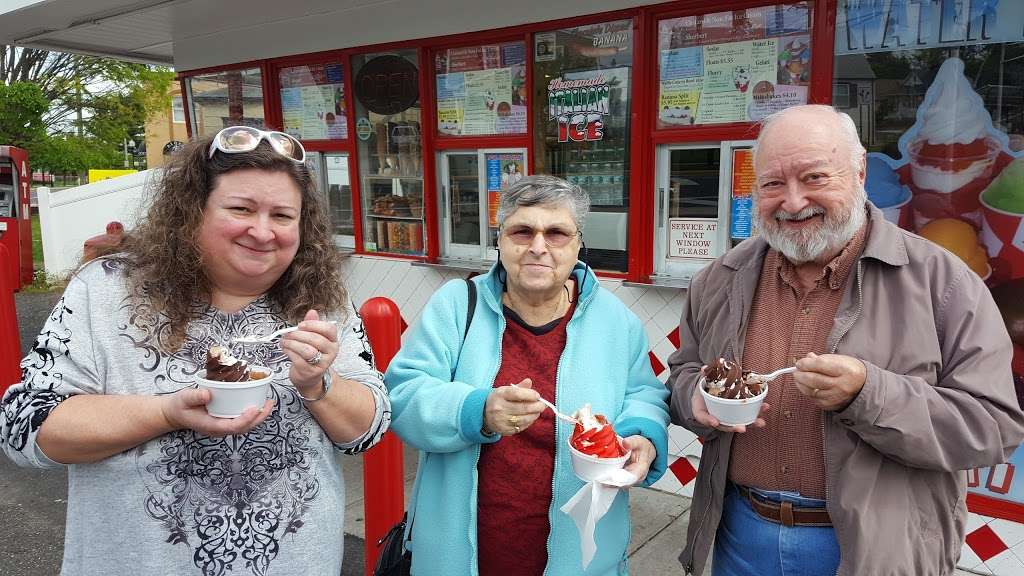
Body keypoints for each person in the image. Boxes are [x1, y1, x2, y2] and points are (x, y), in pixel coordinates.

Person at [0, 126, 391, 575]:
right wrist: (165, 413)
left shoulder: (322, 302)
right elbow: (25, 427)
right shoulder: (107, 291)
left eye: (283, 216)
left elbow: (368, 431)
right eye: (241, 209)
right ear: (192, 213)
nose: (263, 232)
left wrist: (319, 385)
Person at [668, 104, 1024, 576]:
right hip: (739, 534)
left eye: (814, 178)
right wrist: (693, 396)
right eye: (773, 184)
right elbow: (683, 372)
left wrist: (868, 394)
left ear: (858, 173)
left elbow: (993, 428)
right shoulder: (719, 278)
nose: (792, 202)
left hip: (872, 549)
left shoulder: (945, 283)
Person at [385, 175, 670, 575]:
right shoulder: (455, 306)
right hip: (464, 552)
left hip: (580, 557)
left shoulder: (616, 320)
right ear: (500, 240)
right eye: (522, 231)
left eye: (556, 233)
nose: (538, 247)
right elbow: (402, 395)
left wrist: (642, 436)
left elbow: (644, 394)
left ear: (577, 244)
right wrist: (477, 410)